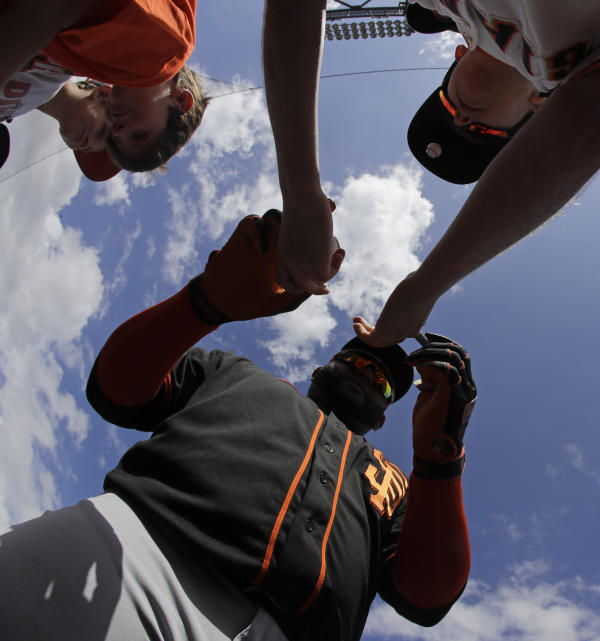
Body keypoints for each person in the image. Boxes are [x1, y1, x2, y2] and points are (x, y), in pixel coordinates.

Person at [0, 210, 476, 641]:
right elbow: (114, 390)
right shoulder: (237, 372)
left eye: (385, 383)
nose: (368, 374)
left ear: (384, 415)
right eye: (356, 359)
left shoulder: (399, 482)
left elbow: (424, 596)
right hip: (132, 554)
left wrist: (440, 455)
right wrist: (205, 302)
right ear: (319, 369)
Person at [350, 0, 600, 346]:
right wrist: (423, 287)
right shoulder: (576, 74)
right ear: (541, 108)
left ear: (458, 56)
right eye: (481, 132)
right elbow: (583, 134)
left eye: (447, 108)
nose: (462, 119)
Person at [0, 0, 207, 175]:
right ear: (180, 99)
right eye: (140, 135)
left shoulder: (99, 64)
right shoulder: (166, 52)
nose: (117, 129)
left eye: (115, 139)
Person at [1, 65, 117, 180]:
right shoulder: (53, 64)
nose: (85, 143)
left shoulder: (9, 112)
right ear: (102, 95)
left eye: (86, 149)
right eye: (102, 131)